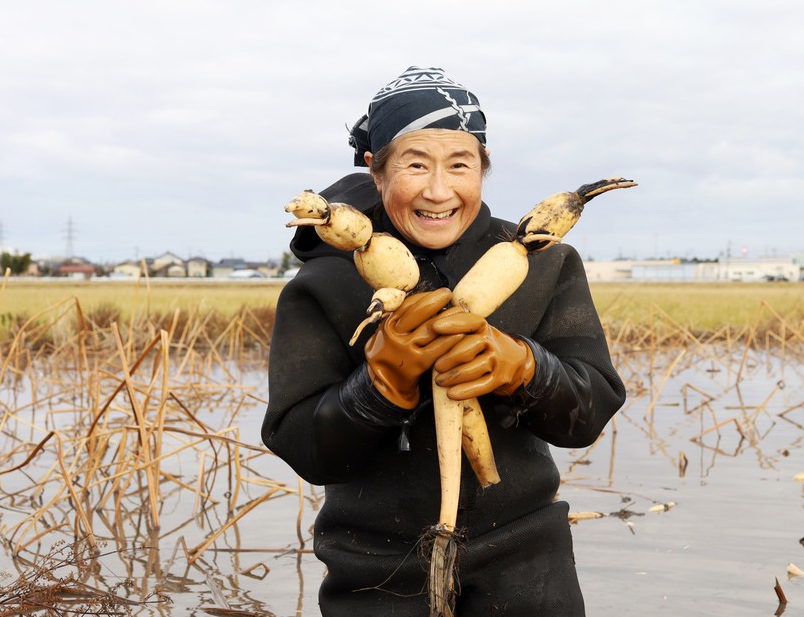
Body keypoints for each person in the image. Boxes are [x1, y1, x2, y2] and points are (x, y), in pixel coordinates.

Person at [261, 66, 626, 616]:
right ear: (375, 170)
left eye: (460, 165)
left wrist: (526, 369)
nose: (439, 190)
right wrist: (378, 385)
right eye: (415, 164)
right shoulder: (326, 281)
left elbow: (591, 410)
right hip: (374, 568)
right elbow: (302, 447)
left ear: (483, 168)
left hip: (526, 563)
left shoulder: (543, 261)